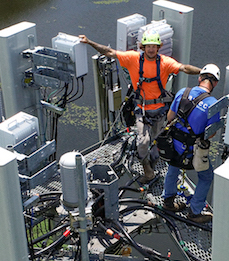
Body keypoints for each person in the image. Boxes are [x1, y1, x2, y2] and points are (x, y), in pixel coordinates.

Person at [79, 32, 202, 182]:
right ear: (143, 47)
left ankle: (154, 162)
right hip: (142, 110)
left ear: (158, 48)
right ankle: (147, 169)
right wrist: (89, 41)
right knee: (143, 142)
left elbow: (184, 68)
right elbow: (109, 52)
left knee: (157, 141)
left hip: (160, 111)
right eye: (148, 46)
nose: (151, 49)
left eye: (154, 47)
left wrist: (203, 72)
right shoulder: (133, 58)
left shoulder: (165, 62)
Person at [161, 64, 221, 224]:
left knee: (172, 168)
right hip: (192, 152)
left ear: (200, 78)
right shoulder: (213, 104)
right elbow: (212, 132)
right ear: (215, 83)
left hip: (174, 146)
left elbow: (169, 117)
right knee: (207, 175)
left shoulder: (183, 92)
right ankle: (194, 211)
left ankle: (168, 202)